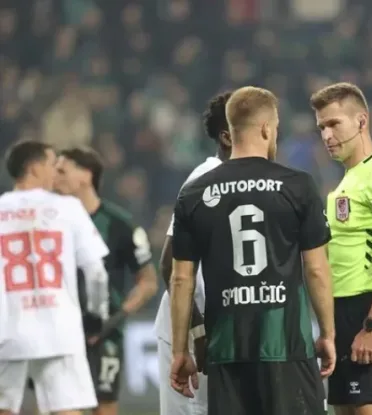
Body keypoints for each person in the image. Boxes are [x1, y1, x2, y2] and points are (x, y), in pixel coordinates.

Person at [170, 86, 336, 415]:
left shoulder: (193, 193)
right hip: (286, 345)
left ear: (231, 131)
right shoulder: (298, 186)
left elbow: (180, 279)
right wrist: (327, 334)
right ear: (265, 128)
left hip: (227, 349)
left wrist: (180, 351)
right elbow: (316, 269)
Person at [309, 82, 372, 415]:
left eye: (334, 124)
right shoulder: (347, 180)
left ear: (362, 121)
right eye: (321, 127)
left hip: (366, 313)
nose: (326, 135)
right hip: (341, 317)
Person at [0, 140, 109, 415]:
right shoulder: (68, 208)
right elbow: (96, 272)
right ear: (35, 168)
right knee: (67, 408)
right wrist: (96, 315)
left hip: (6, 328)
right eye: (52, 165)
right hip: (59, 327)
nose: (56, 173)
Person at [54, 147, 158, 415]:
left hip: (104, 334)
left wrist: (116, 317)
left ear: (86, 175)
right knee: (58, 405)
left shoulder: (119, 224)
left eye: (62, 171)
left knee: (104, 406)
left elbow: (148, 281)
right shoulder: (50, 223)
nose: (55, 177)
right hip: (60, 330)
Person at [154, 91, 233, 415]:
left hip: (220, 324)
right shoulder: (204, 179)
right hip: (191, 326)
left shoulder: (246, 179)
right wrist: (196, 330)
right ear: (227, 136)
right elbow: (168, 263)